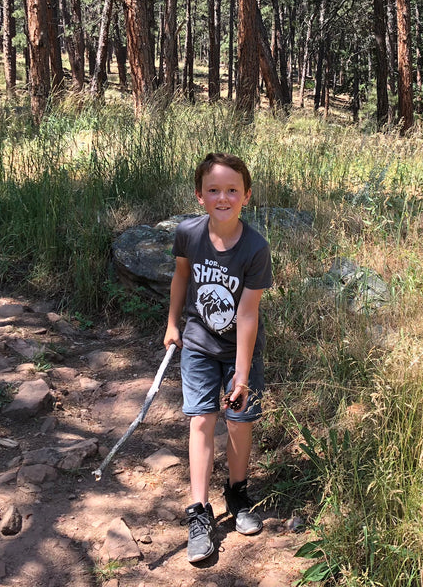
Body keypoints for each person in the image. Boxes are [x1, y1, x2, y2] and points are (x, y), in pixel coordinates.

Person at [163, 152, 273, 563]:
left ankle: (237, 494)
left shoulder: (255, 248)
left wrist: (241, 376)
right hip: (197, 345)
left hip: (239, 353)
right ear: (199, 195)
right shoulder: (188, 234)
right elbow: (181, 277)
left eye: (232, 190)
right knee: (202, 419)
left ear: (246, 195)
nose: (222, 198)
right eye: (214, 190)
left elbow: (247, 313)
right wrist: (173, 324)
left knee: (240, 423)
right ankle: (199, 511)